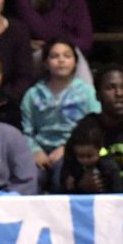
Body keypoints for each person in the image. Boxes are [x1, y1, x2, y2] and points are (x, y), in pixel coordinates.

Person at [21, 38, 100, 192]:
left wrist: (66, 148)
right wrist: (35, 151)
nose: (61, 60)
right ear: (45, 63)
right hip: (40, 150)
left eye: (67, 56)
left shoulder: (86, 92)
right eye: (54, 56)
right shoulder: (33, 94)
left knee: (62, 176)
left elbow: (94, 124)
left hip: (73, 150)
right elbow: (26, 130)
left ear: (75, 62)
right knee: (30, 178)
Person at [59, 118, 123, 193]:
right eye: (81, 156)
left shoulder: (108, 166)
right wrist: (75, 184)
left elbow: (117, 189)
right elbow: (66, 185)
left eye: (89, 156)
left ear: (99, 150)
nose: (85, 160)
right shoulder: (74, 167)